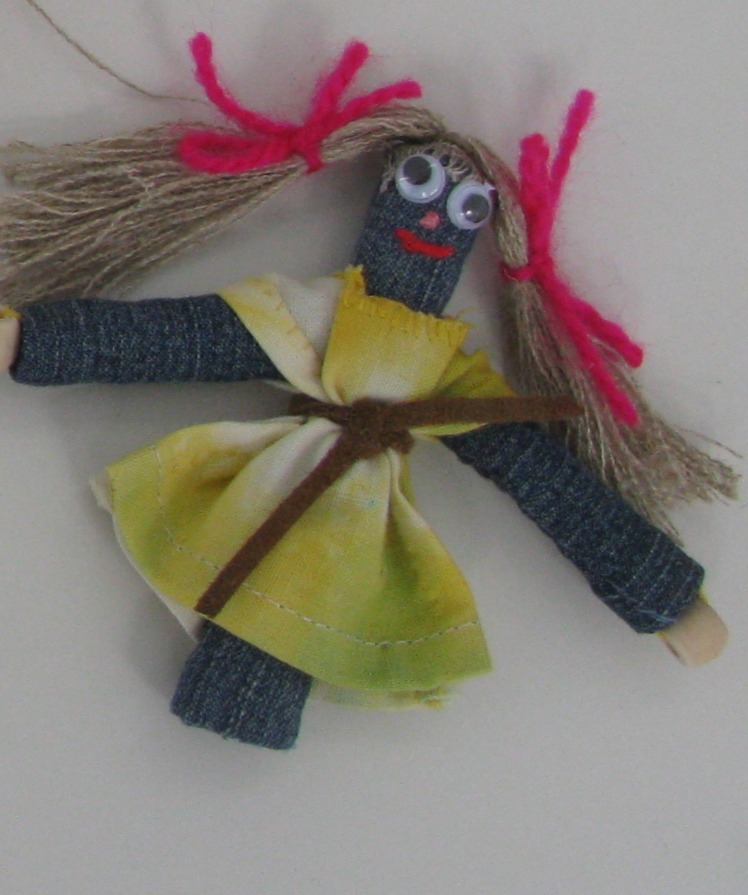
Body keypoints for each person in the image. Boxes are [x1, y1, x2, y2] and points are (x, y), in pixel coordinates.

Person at [0, 35, 734, 748]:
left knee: (307, 591)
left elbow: (553, 485)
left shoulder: (452, 379)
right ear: (384, 189)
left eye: (464, 211)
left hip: (356, 530)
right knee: (275, 573)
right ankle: (237, 700)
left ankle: (248, 706)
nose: (431, 220)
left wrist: (665, 598)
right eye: (417, 186)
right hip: (280, 489)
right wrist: (35, 340)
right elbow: (179, 338)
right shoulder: (312, 321)